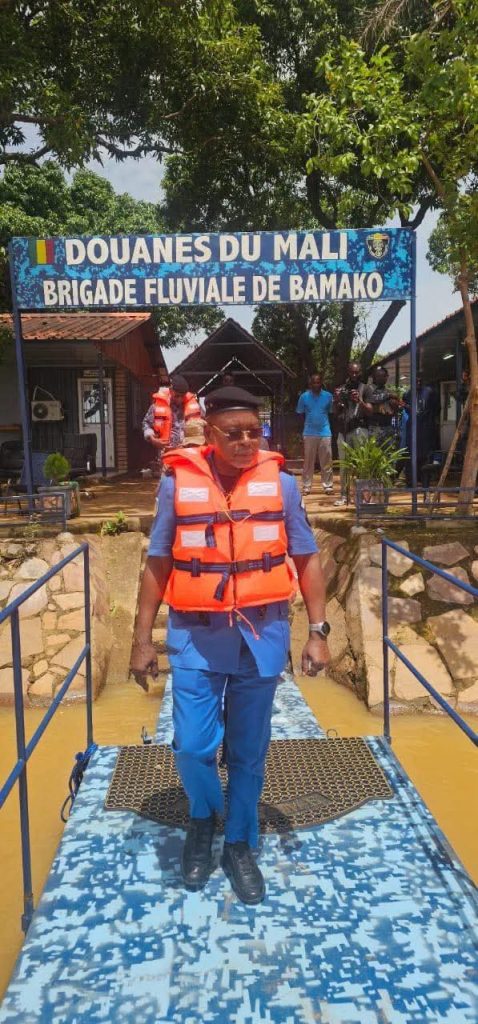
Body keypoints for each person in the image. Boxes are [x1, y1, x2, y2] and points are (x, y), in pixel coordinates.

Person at [130, 385, 331, 905]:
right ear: (209, 434)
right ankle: (203, 815)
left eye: (254, 431)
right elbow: (158, 561)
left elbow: (307, 558)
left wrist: (318, 631)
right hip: (196, 635)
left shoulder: (282, 486)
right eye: (233, 432)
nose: (245, 441)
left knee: (249, 752)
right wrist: (140, 639)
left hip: (261, 636)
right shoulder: (177, 486)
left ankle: (239, 840)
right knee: (194, 745)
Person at [142, 374, 202, 472]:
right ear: (170, 391)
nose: (180, 399)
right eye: (177, 396)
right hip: (166, 455)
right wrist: (152, 439)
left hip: (187, 454)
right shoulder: (156, 406)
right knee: (168, 484)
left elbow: (204, 424)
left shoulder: (193, 406)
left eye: (182, 396)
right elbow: (146, 424)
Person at [333, 362, 371, 506]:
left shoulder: (365, 388)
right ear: (347, 372)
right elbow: (336, 412)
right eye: (351, 372)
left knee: (361, 465)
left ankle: (361, 497)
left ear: (360, 372)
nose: (354, 375)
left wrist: (359, 401)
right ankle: (344, 496)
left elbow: (370, 411)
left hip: (360, 430)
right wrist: (337, 400)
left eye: (357, 372)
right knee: (344, 466)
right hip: (344, 431)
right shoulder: (342, 389)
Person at [296, 373, 334, 495]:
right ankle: (306, 486)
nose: (316, 385)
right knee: (308, 461)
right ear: (310, 383)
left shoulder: (328, 396)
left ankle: (328, 485)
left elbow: (332, 413)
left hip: (325, 432)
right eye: (313, 382)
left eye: (318, 382)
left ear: (321, 382)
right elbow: (300, 414)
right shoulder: (304, 397)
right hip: (309, 433)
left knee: (326, 460)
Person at [402, 377, 440, 486]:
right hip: (413, 430)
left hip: (426, 429)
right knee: (411, 455)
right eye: (415, 381)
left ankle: (425, 483)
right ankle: (411, 482)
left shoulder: (430, 393)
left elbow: (435, 409)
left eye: (420, 380)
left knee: (426, 456)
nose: (418, 383)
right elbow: (407, 410)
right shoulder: (407, 394)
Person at [362, 367, 402, 444]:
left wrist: (395, 405)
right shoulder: (368, 389)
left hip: (388, 426)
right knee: (374, 453)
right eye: (380, 376)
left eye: (385, 376)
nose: (383, 378)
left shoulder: (387, 391)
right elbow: (374, 400)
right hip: (374, 427)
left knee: (389, 453)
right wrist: (389, 395)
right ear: (374, 377)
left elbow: (395, 408)